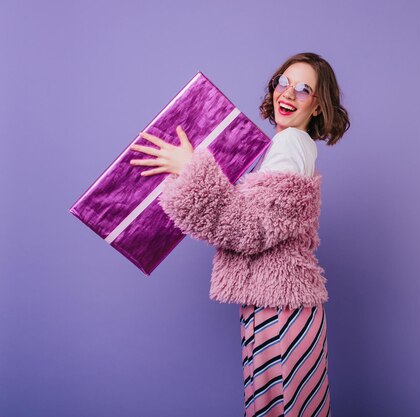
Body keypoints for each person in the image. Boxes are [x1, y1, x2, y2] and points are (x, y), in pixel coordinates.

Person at [129, 52, 350, 417]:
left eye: (304, 89)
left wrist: (191, 169)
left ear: (317, 107)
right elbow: (258, 223)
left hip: (281, 309)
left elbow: (249, 229)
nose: (289, 93)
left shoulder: (291, 143)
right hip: (280, 303)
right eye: (284, 81)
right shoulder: (287, 146)